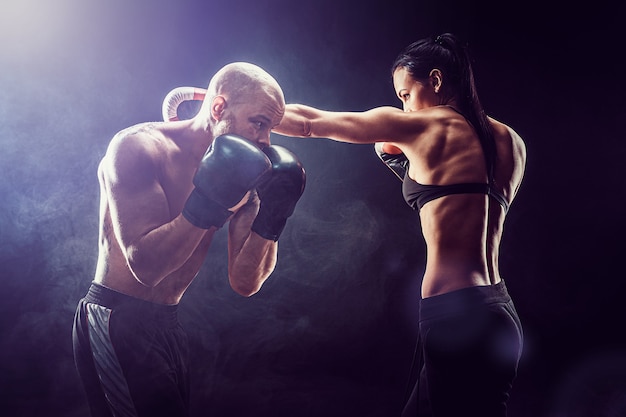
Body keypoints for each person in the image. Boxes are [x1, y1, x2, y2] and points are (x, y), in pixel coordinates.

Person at [272, 33, 526, 417]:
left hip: (456, 316)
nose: (404, 108)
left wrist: (238, 105)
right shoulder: (512, 142)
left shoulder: (425, 128)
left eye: (406, 95)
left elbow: (310, 123)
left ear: (436, 81)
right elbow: (456, 199)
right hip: (501, 313)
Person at [72, 62, 306, 417]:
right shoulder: (138, 148)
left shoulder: (248, 170)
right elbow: (146, 268)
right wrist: (211, 201)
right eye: (258, 123)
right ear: (218, 107)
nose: (265, 140)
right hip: (116, 318)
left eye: (270, 128)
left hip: (167, 324)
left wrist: (274, 217)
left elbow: (245, 282)